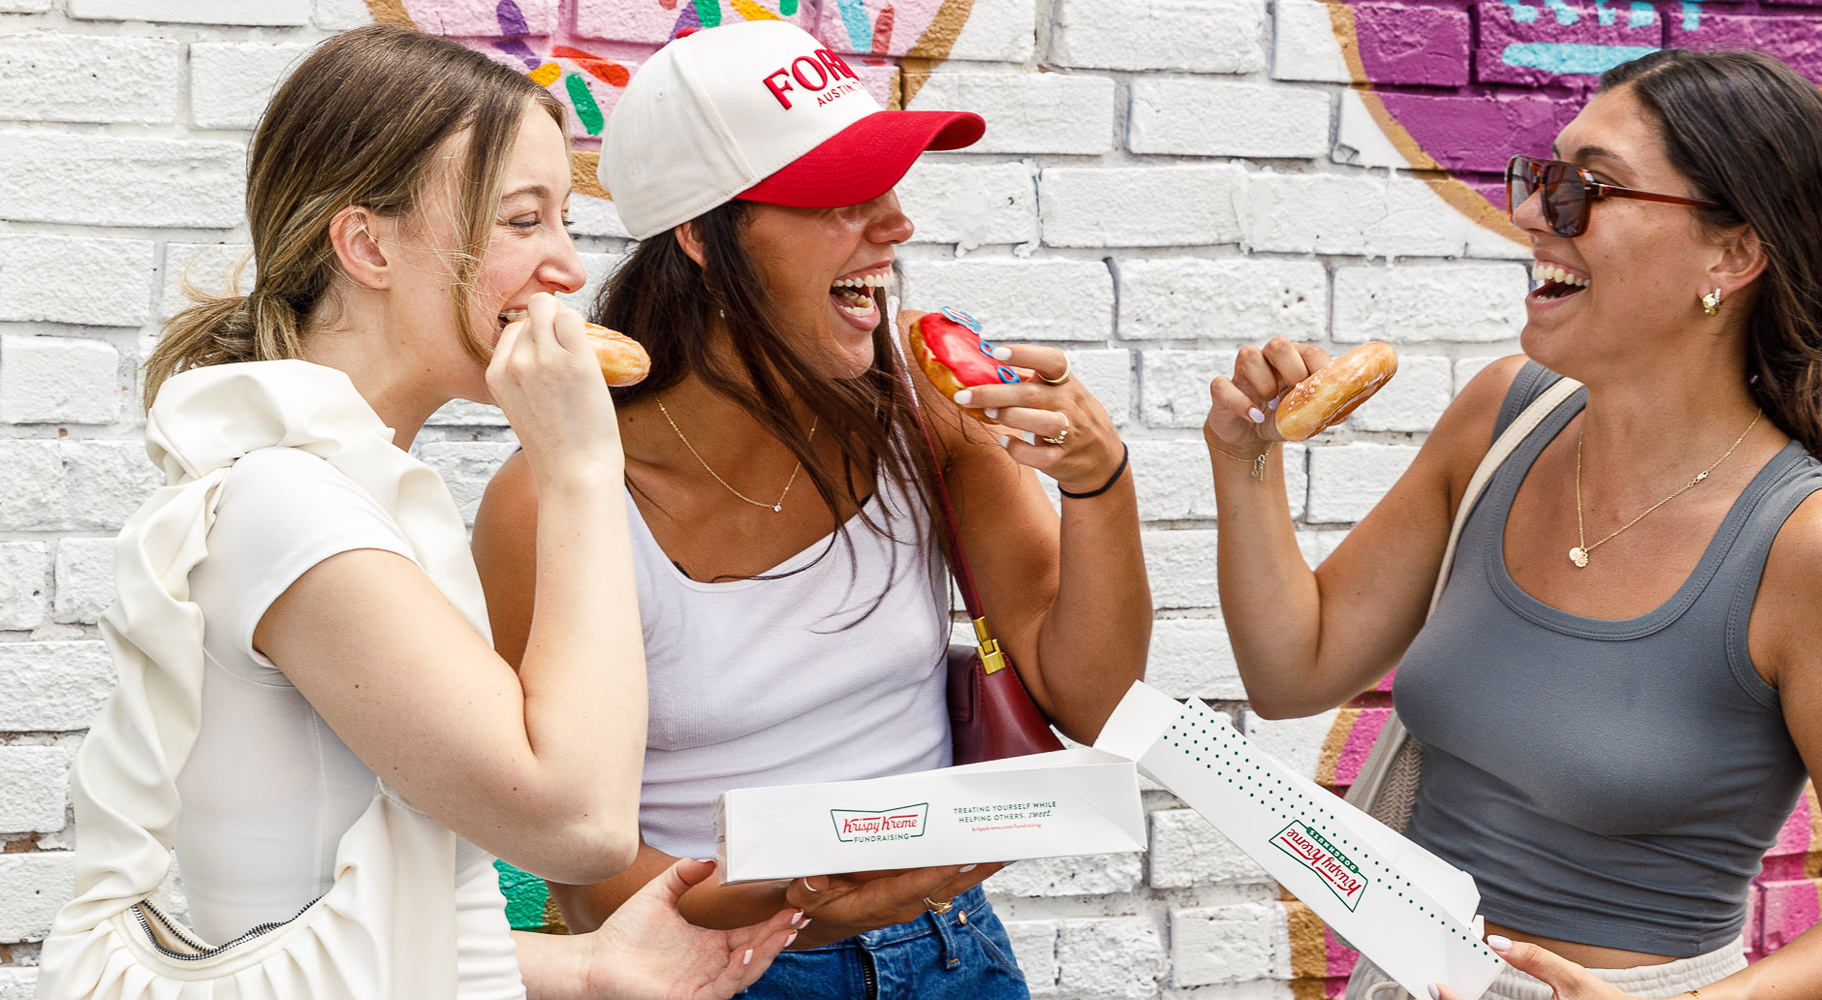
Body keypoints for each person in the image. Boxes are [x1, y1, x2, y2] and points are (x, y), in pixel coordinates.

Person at [36, 24, 798, 1000]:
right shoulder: (291, 507)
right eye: (524, 221)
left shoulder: (342, 488)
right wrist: (575, 469)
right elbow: (580, 820)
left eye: (563, 219)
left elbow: (319, 919)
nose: (568, 265)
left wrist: (590, 961)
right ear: (367, 245)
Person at [471, 20, 1152, 999]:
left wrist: (1097, 482)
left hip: (955, 950)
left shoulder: (927, 417)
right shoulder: (557, 498)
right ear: (703, 236)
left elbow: (1091, 697)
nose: (895, 223)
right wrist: (807, 905)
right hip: (719, 967)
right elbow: (578, 872)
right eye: (838, 197)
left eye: (887, 183)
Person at [1202, 48, 1822, 1000]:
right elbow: (1294, 671)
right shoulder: (1506, 416)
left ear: (1732, 253)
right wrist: (1248, 462)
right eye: (1542, 177)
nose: (1533, 214)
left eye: (1591, 190)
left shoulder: (1798, 539)